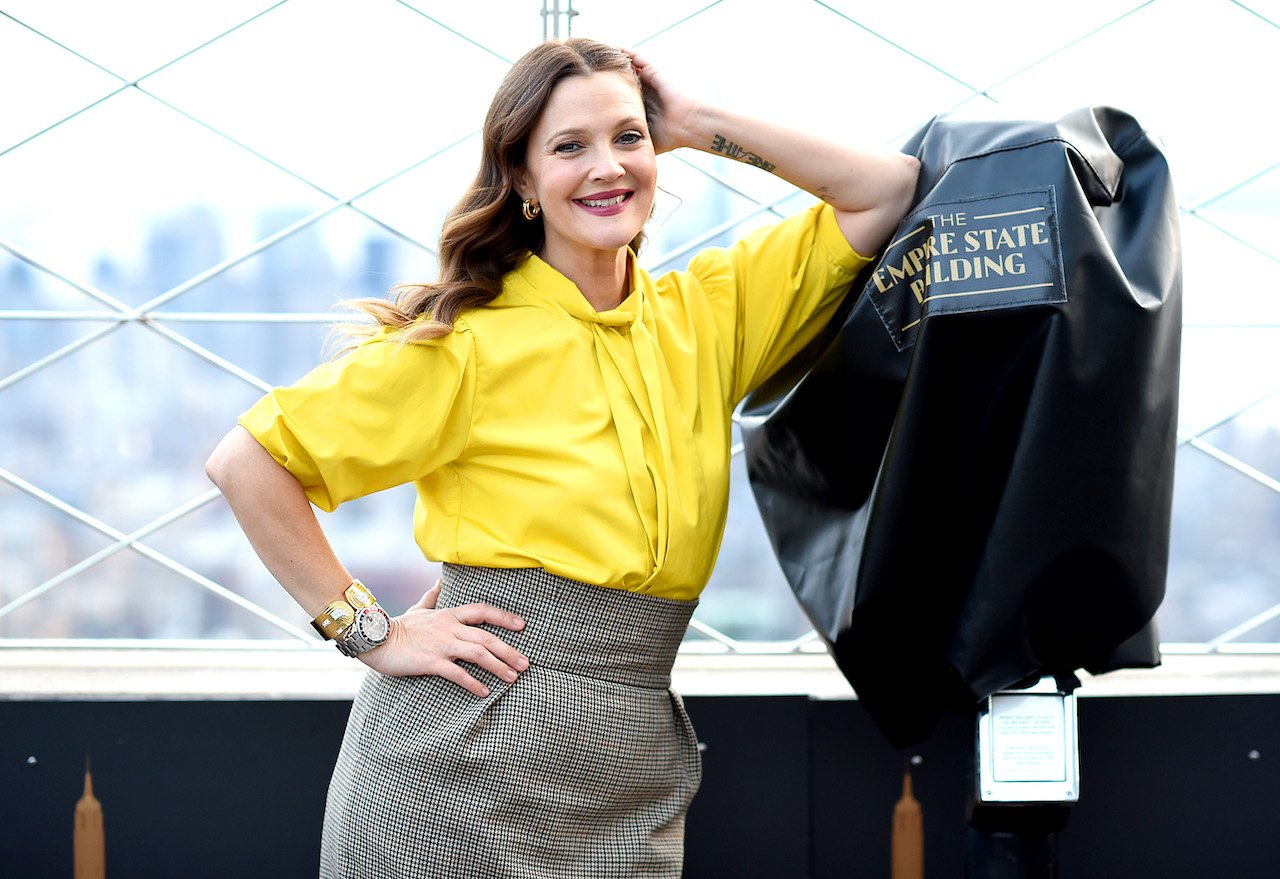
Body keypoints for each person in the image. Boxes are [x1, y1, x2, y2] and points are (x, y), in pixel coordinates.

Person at [205, 37, 918, 879]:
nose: (606, 167)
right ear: (521, 180)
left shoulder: (706, 318)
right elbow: (247, 463)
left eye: (628, 137)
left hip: (629, 770)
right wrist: (373, 634)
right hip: (451, 772)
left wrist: (693, 120)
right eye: (569, 146)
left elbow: (887, 191)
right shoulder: (468, 345)